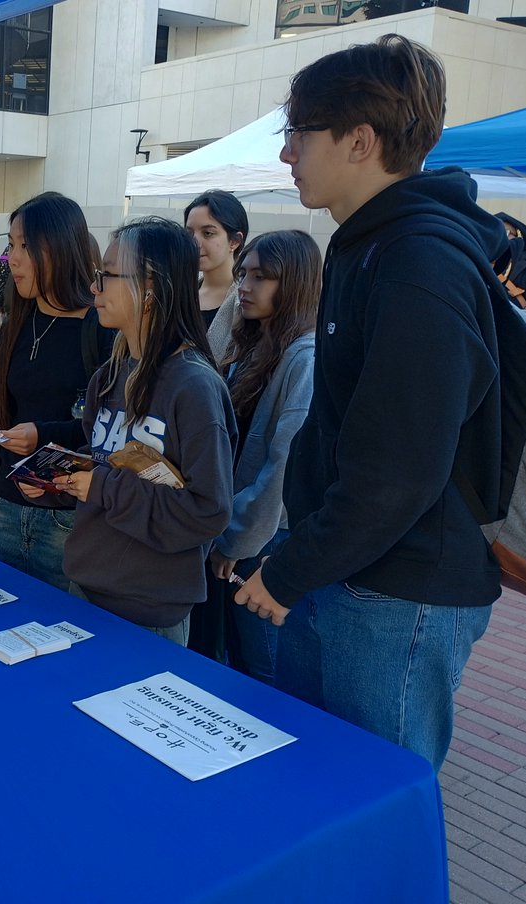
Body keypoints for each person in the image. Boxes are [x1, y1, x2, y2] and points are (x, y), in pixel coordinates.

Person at [235, 36, 518, 772]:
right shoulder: (372, 246)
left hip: (400, 595)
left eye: (298, 133)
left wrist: (290, 571)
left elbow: (397, 472)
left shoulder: (418, 262)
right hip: (354, 575)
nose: (287, 153)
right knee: (322, 795)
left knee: (372, 803)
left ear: (360, 141)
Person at [56, 217, 236, 645]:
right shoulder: (110, 374)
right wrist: (60, 478)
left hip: (149, 612)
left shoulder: (194, 386)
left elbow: (208, 511)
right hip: (85, 590)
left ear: (151, 286)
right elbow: (102, 463)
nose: (94, 287)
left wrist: (100, 487)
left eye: (106, 275)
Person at [0, 192, 114, 590]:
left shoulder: (102, 329)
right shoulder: (14, 323)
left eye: (25, 246)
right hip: (4, 509)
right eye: (11, 245)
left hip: (65, 519)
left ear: (60, 246)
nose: (14, 258)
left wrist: (42, 436)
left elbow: (108, 436)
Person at [203, 230, 320, 683]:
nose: (245, 287)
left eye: (262, 277)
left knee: (264, 673)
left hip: (267, 539)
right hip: (240, 530)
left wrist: (235, 539)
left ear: (295, 282)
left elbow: (283, 466)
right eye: (243, 274)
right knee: (240, 664)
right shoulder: (254, 345)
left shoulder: (305, 356)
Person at [184, 191, 248, 366]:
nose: (194, 243)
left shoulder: (246, 299)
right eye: (189, 233)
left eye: (208, 233)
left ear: (235, 241)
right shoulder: (180, 293)